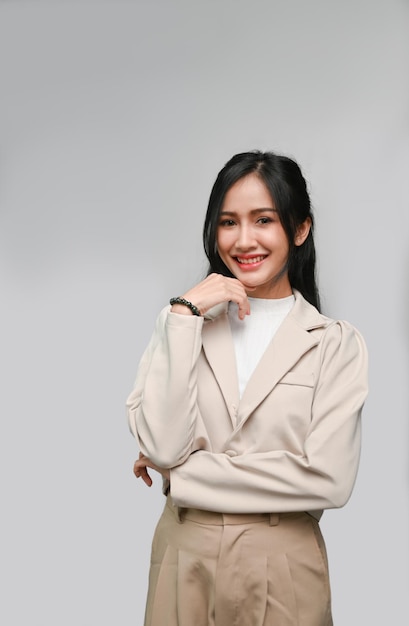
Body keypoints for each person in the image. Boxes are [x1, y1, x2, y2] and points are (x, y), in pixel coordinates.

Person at [127, 150, 368, 626]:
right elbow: (161, 444)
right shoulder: (179, 326)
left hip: (285, 562)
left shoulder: (334, 344)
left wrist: (186, 478)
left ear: (299, 230)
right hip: (183, 557)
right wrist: (182, 316)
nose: (244, 240)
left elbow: (328, 478)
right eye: (228, 222)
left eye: (264, 220)